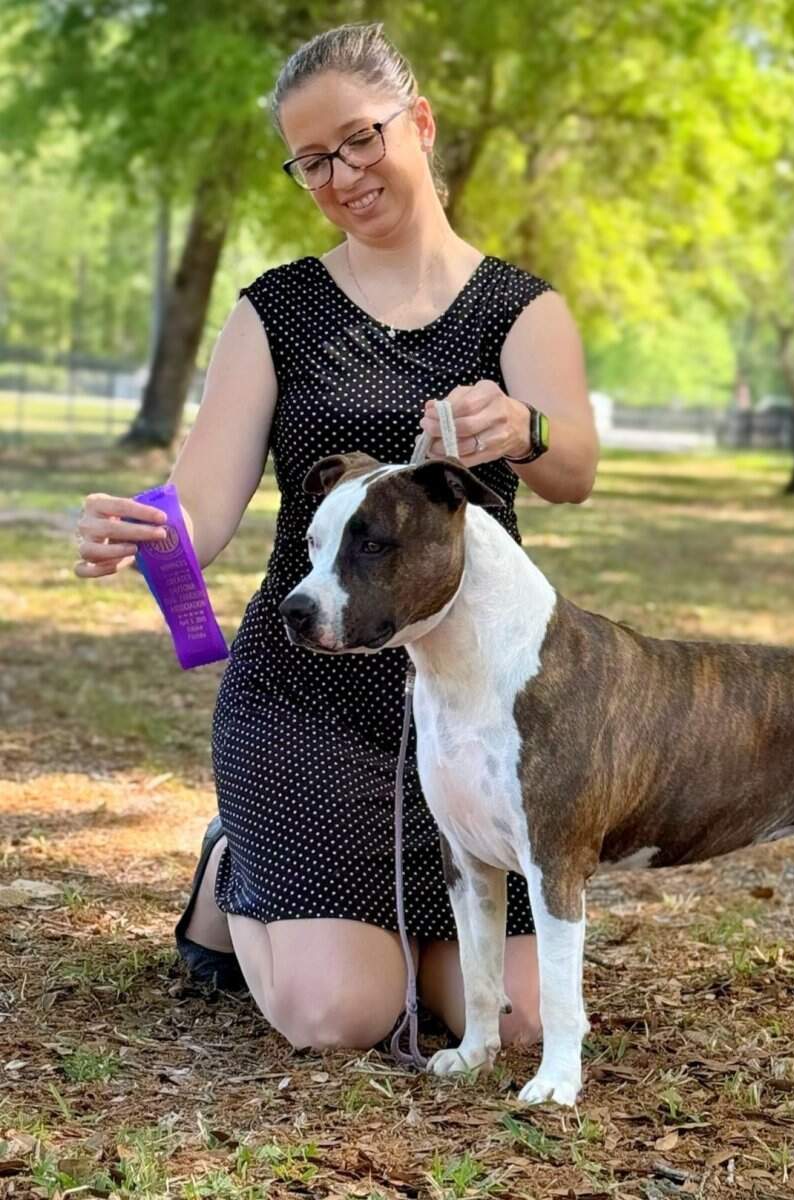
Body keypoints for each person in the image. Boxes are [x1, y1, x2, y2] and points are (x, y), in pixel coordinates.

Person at [73, 22, 599, 1053]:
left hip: (473, 718)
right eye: (312, 160)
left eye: (359, 140)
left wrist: (523, 430)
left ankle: (400, 928)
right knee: (341, 1014)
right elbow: (203, 510)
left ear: (419, 123)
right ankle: (235, 873)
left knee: (528, 1027)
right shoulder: (276, 311)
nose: (342, 174)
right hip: (306, 702)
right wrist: (138, 530)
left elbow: (572, 472)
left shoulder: (520, 309)